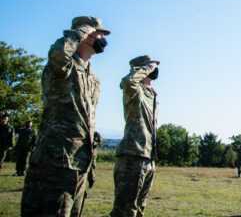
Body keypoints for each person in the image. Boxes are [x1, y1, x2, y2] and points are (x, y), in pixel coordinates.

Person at [21, 16, 110, 217]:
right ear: (85, 34)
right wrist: (78, 33)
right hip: (56, 165)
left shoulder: (93, 78)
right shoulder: (63, 67)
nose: (103, 37)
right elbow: (59, 54)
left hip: (80, 166)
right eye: (99, 32)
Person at [110, 55, 160, 217]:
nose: (154, 69)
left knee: (139, 208)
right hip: (133, 155)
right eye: (151, 67)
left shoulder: (152, 94)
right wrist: (144, 69)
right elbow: (128, 81)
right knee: (124, 210)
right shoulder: (134, 89)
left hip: (148, 157)